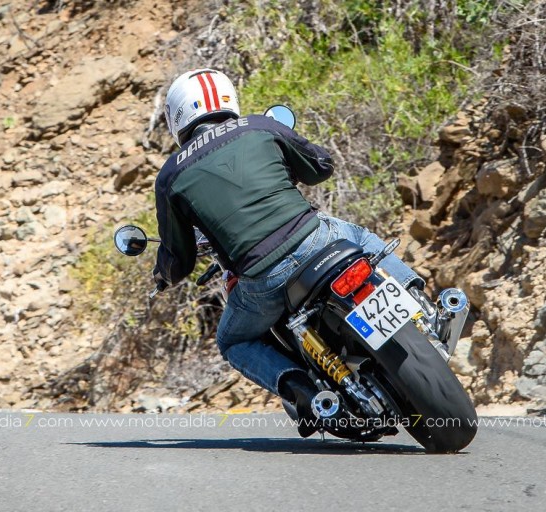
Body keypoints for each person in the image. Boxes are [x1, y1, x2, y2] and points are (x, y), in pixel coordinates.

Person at [152, 69, 426, 437]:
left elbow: (179, 259)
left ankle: (305, 391)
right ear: (229, 97)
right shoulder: (261, 126)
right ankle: (420, 297)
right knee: (360, 235)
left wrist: (162, 275)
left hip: (262, 278)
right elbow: (320, 168)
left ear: (177, 116)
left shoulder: (171, 175)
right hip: (318, 241)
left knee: (232, 340)